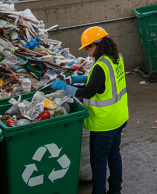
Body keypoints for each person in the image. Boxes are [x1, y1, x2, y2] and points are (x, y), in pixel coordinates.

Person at [52, 27, 128, 194]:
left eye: (88, 47)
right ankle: (116, 190)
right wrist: (76, 79)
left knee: (99, 164)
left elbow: (88, 92)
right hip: (119, 117)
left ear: (96, 45)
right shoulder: (116, 58)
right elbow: (103, 80)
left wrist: (66, 87)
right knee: (114, 155)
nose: (87, 52)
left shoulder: (101, 65)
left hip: (104, 124)